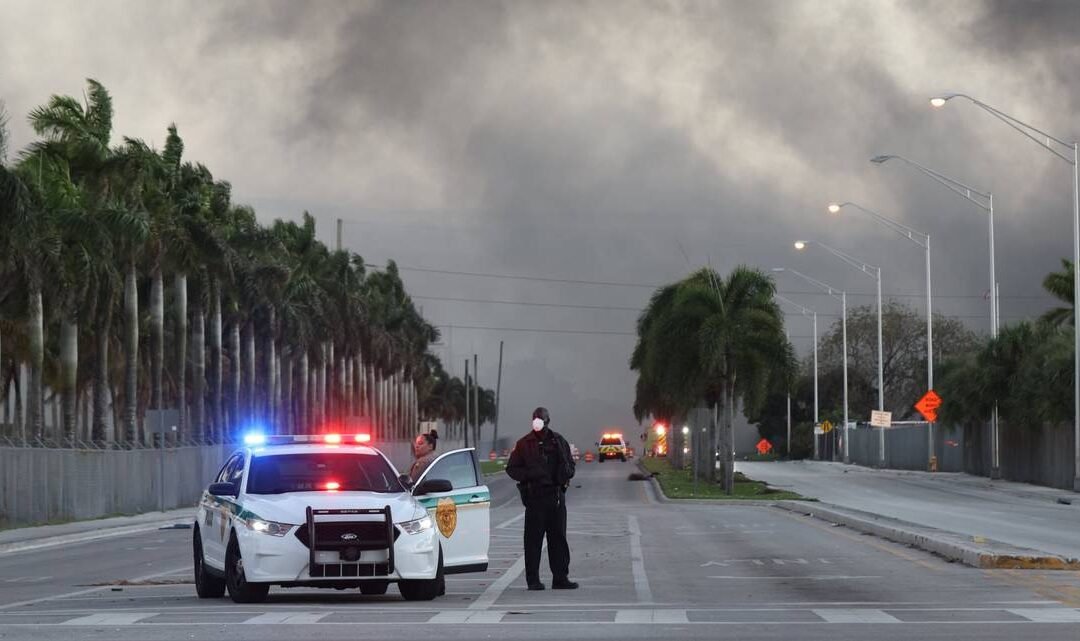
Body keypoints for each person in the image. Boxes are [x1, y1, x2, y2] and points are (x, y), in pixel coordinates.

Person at [506, 407, 578, 591]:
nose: (538, 423)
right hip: (535, 497)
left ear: (547, 421)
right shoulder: (524, 444)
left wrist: (565, 475)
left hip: (556, 496)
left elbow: (570, 464)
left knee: (558, 539)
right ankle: (533, 580)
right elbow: (512, 468)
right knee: (533, 541)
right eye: (536, 419)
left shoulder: (558, 441)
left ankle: (560, 578)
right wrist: (529, 475)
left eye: (541, 419)